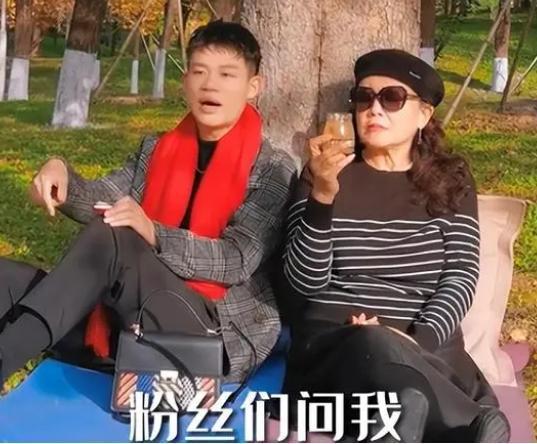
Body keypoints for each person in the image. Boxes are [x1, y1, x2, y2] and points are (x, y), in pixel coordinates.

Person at [0, 20, 296, 386]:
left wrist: (153, 233)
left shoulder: (272, 168)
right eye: (199, 72)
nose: (210, 85)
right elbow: (104, 195)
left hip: (211, 331)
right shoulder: (157, 148)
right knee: (6, 277)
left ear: (253, 86)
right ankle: (95, 347)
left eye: (226, 74)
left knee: (115, 235)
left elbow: (236, 259)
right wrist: (63, 179)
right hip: (132, 313)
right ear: (185, 81)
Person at [281, 49, 510, 442]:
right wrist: (322, 196)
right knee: (373, 344)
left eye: (392, 98)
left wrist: (418, 339)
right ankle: (465, 424)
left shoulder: (450, 180)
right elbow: (302, 285)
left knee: (399, 375)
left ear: (423, 114)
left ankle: (405, 414)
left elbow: (460, 276)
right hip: (339, 346)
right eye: (363, 97)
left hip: (426, 348)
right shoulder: (324, 173)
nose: (374, 109)